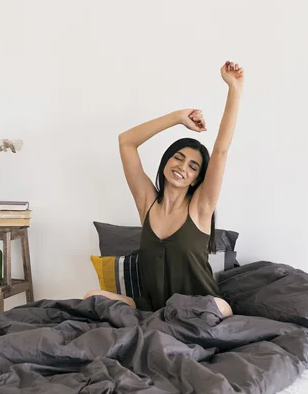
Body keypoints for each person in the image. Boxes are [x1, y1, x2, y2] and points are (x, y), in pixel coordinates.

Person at [84, 61, 244, 317]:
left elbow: (221, 151)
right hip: (157, 308)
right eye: (178, 157)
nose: (182, 167)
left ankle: (168, 321)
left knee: (219, 307)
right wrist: (179, 117)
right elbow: (126, 142)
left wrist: (234, 88)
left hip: (199, 309)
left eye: (193, 166)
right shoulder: (147, 201)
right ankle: (162, 319)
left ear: (196, 179)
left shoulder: (200, 207)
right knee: (92, 297)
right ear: (167, 160)